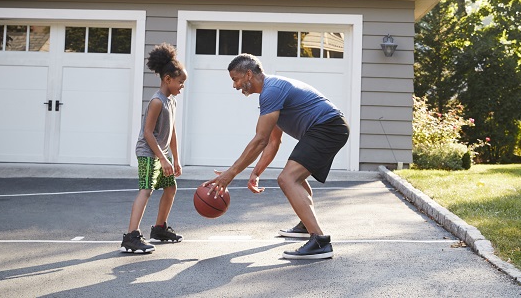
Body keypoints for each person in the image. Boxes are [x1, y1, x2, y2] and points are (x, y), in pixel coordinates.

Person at [203, 53, 350, 260]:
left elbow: (259, 140)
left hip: (328, 127)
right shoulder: (272, 93)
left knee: (287, 178)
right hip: (326, 128)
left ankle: (319, 241)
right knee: (295, 178)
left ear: (248, 74)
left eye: (235, 79)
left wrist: (231, 173)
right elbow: (273, 141)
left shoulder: (271, 91)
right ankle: (305, 224)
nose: (235, 86)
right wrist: (256, 172)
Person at [120, 43, 186, 254]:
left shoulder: (171, 101)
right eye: (180, 82)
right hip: (149, 152)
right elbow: (148, 133)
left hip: (161, 154)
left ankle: (159, 228)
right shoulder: (157, 101)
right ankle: (131, 236)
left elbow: (172, 132)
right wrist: (163, 159)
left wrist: (175, 159)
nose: (182, 86)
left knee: (171, 187)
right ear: (168, 79)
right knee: (146, 190)